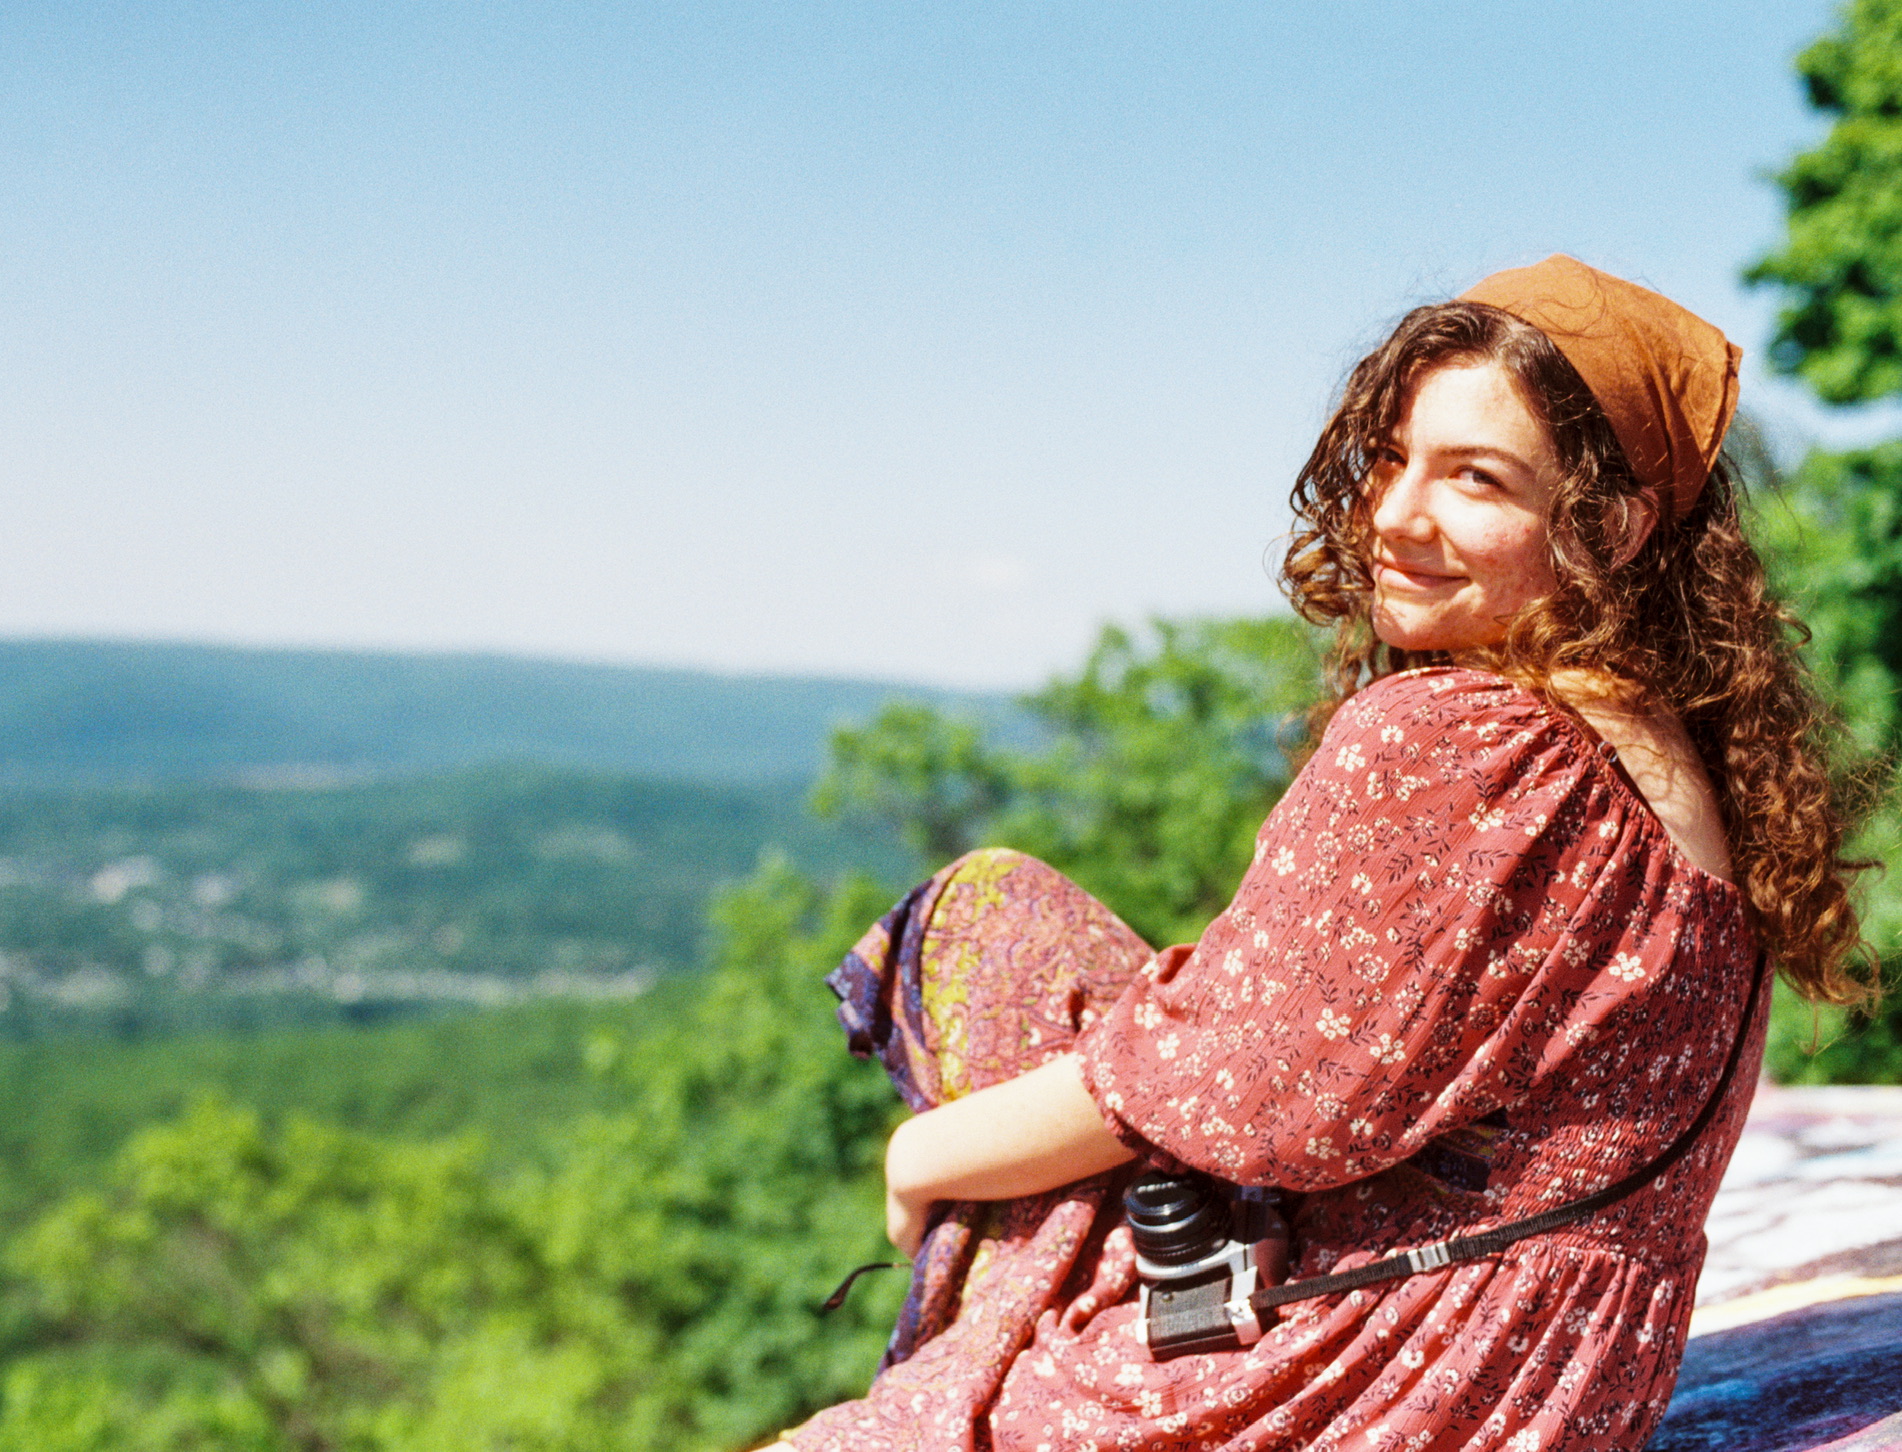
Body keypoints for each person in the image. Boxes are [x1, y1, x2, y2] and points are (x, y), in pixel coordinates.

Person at [776, 256, 1873, 1452]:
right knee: (1012, 916)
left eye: (1475, 479)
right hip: (1554, 1384)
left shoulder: (1465, 742)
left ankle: (975, 1360)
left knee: (978, 931)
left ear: (1608, 524)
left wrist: (924, 1149)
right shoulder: (1669, 753)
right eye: (1393, 457)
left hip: (1377, 1369)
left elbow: (1239, 1089)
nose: (1397, 514)